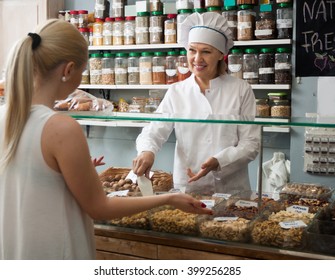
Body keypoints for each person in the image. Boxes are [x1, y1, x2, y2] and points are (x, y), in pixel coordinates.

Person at [0, 19, 212, 260]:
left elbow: (24, 179)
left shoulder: (6, 115)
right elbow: (100, 208)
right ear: (68, 70)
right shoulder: (60, 127)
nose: (80, 78)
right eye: (82, 71)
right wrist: (169, 198)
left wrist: (70, 174)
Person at [133, 12, 260, 194]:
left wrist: (219, 160)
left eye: (206, 51)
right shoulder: (177, 91)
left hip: (231, 189)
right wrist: (147, 151)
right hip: (189, 187)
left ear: (220, 55)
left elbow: (251, 143)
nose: (197, 58)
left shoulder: (241, 89)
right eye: (192, 50)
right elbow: (154, 130)